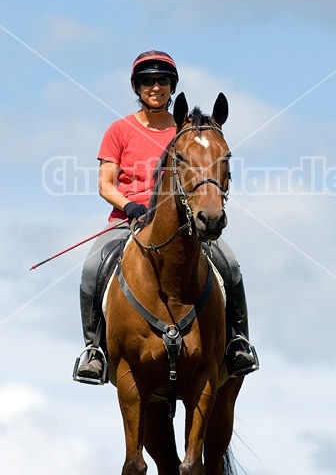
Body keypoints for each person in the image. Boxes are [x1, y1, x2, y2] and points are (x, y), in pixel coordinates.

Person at [75, 50, 259, 383]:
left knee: (229, 265)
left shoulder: (184, 129)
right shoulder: (119, 130)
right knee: (92, 269)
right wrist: (130, 206)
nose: (155, 86)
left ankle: (237, 343)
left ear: (172, 86)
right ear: (137, 87)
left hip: (184, 224)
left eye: (162, 80)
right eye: (148, 81)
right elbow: (105, 183)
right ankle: (94, 351)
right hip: (127, 220)